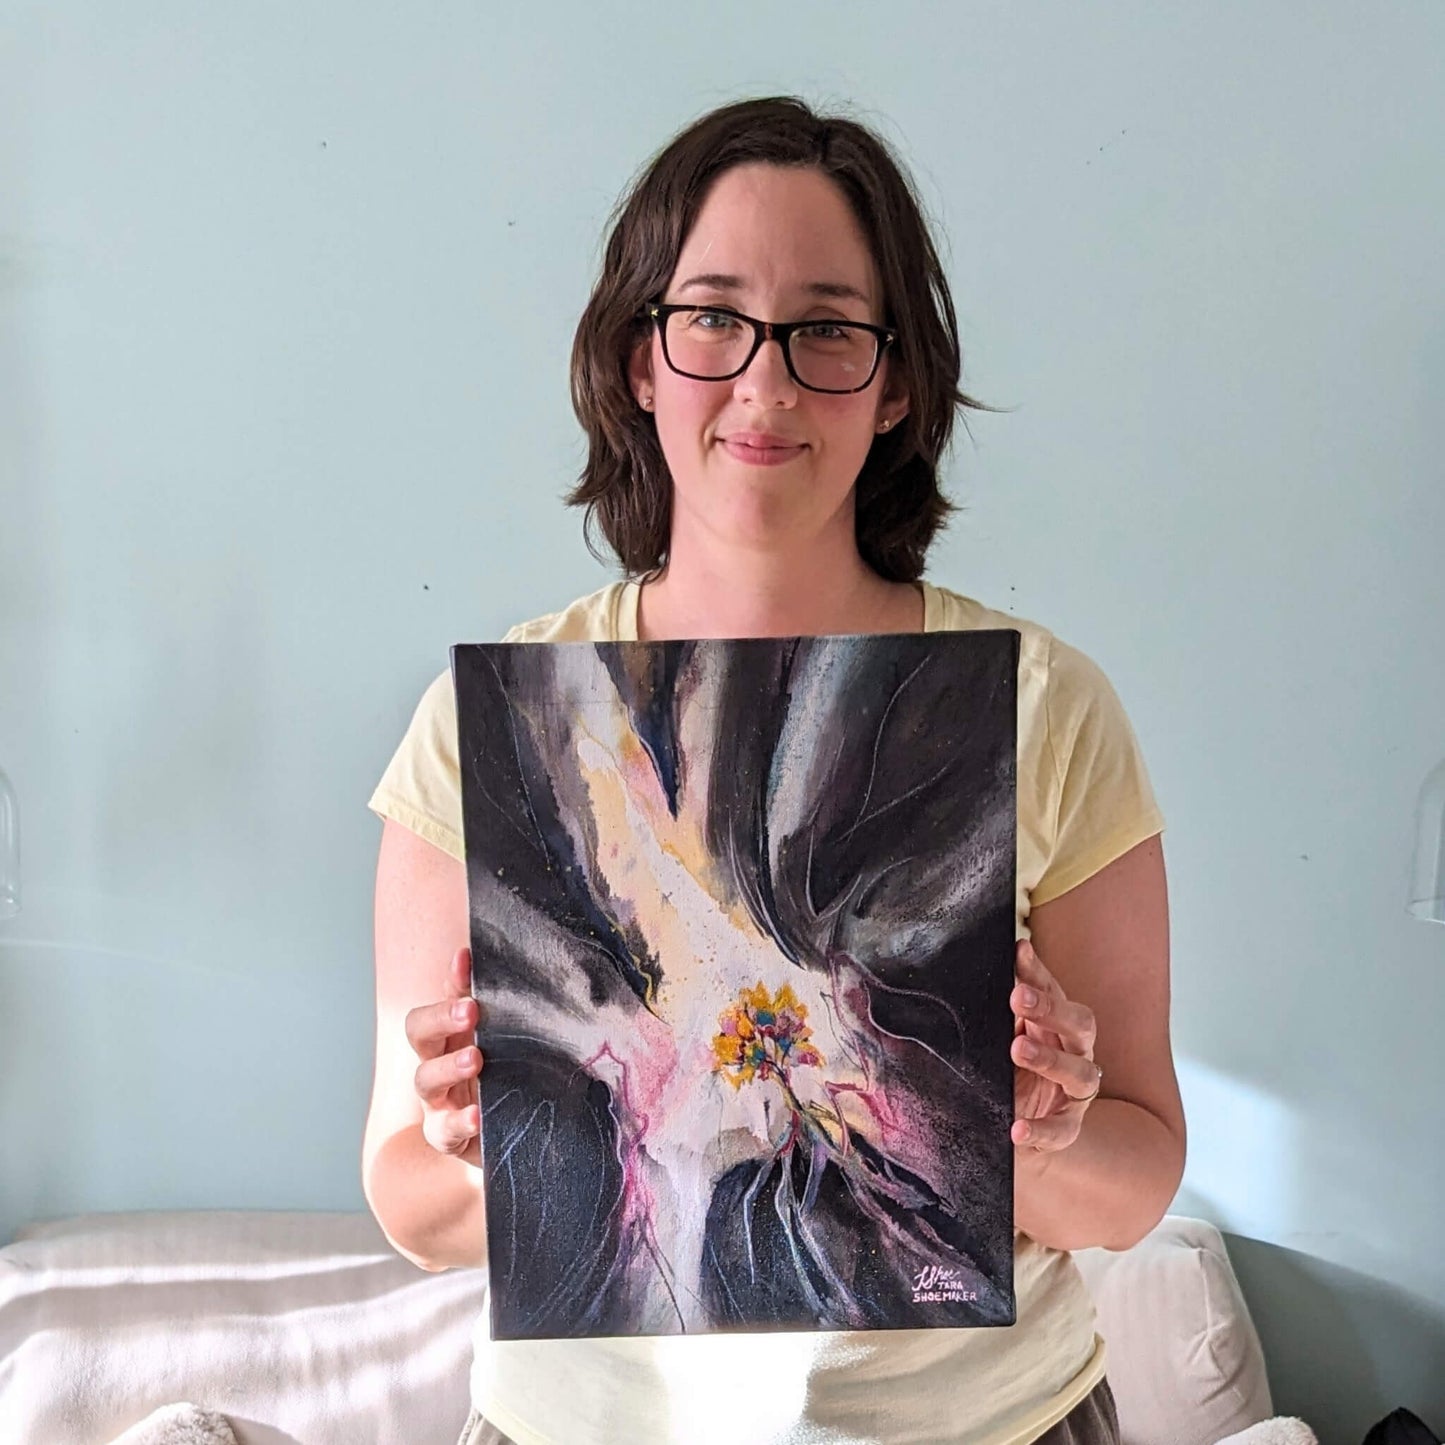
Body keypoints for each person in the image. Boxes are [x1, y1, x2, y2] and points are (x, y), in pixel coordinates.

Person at [363, 95, 1185, 1445]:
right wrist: (483, 1143)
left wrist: (1029, 1121)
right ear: (638, 358)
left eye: (824, 328)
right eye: (710, 318)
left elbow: (1135, 1177)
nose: (763, 381)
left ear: (897, 378)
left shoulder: (1044, 703)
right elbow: (410, 1201)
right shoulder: (488, 726)